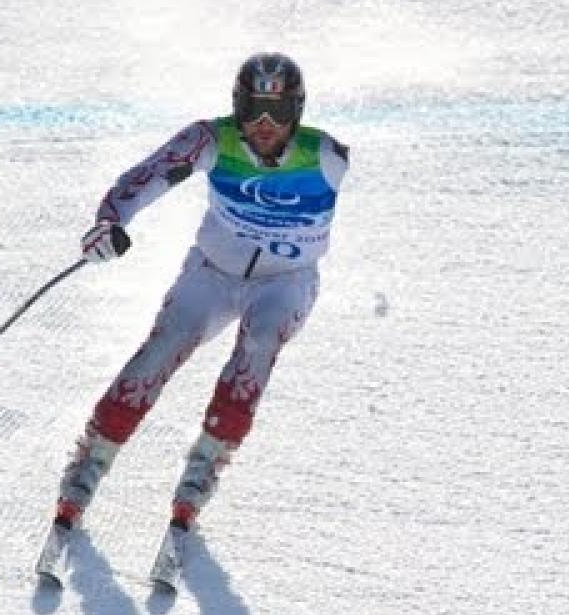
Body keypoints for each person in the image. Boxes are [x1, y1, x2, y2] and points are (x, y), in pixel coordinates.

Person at [52, 52, 349, 533]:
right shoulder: (212, 140)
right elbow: (143, 180)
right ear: (237, 108)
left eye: (278, 113)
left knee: (257, 349)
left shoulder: (327, 156)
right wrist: (110, 222)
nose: (265, 125)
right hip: (212, 273)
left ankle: (204, 467)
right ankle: (90, 461)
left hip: (285, 282)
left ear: (298, 111)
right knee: (161, 349)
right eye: (253, 111)